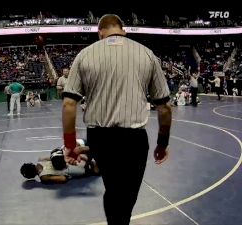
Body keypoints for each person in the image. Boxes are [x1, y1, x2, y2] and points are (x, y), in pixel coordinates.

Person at [61, 14, 172, 225]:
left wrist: (70, 145)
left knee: (114, 190)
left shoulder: (85, 55)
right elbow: (164, 107)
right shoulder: (147, 54)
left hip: (100, 138)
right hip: (134, 139)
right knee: (126, 196)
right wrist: (162, 144)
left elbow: (68, 104)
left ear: (99, 33)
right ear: (124, 30)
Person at [20, 143, 99, 184]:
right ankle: (87, 156)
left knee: (94, 171)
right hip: (72, 158)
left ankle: (91, 162)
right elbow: (55, 156)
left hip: (74, 169)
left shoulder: (43, 177)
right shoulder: (41, 159)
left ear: (30, 175)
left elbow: (63, 179)